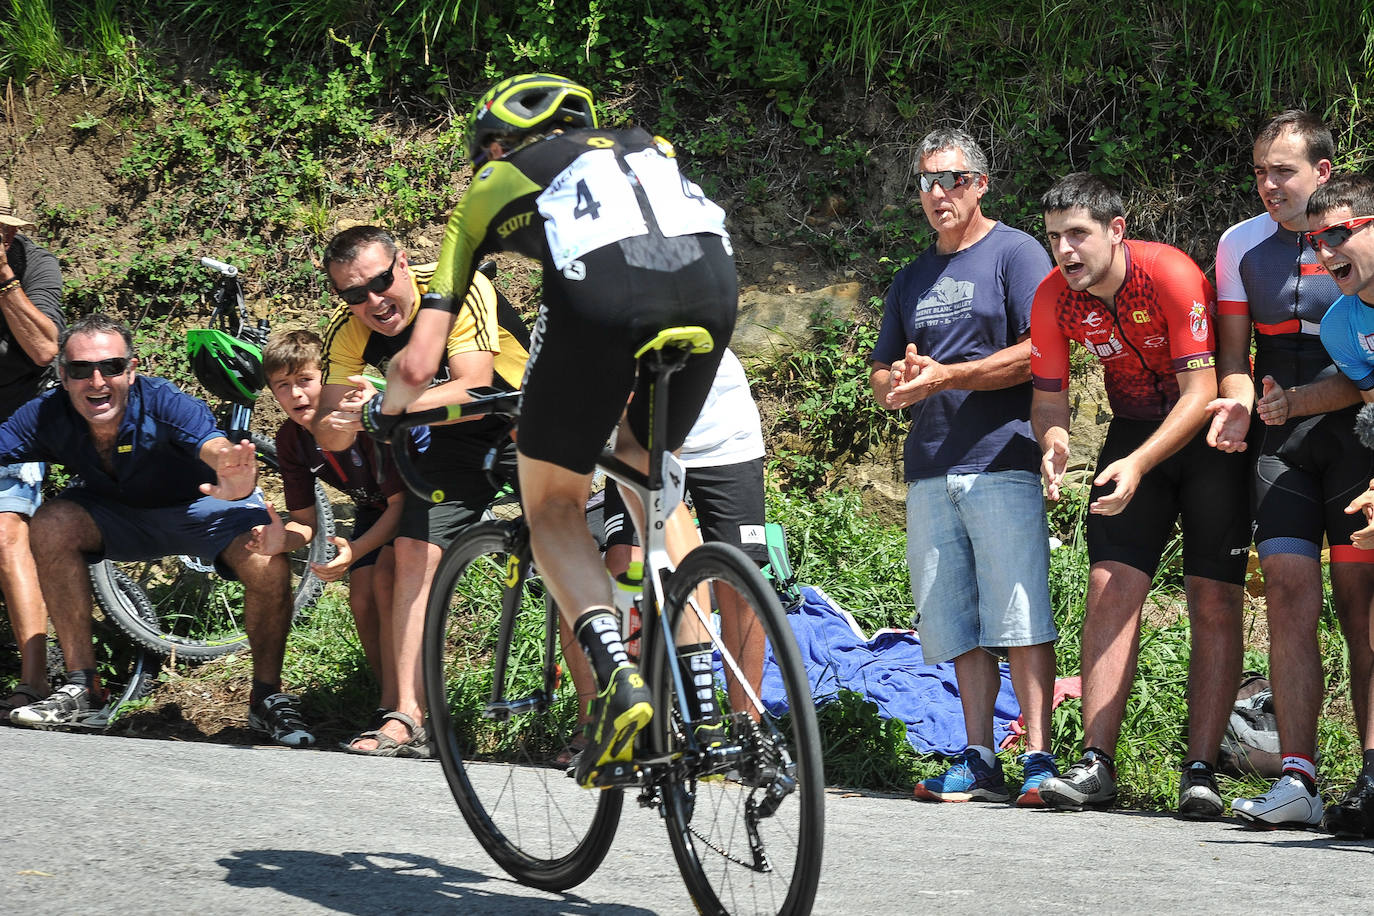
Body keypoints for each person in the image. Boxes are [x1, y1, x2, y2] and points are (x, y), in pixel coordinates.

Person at [365, 73, 736, 788]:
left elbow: (416, 361)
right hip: (714, 291)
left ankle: (619, 680)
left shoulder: (493, 182)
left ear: (497, 144)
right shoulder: (649, 146)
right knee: (652, 475)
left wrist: (389, 410)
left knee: (555, 505)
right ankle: (710, 717)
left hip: (605, 303)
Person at [1029, 172, 1249, 816]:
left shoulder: (1170, 273)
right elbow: (1049, 398)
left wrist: (1138, 464)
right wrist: (1055, 441)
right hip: (1131, 432)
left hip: (1205, 439)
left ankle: (1202, 769)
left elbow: (1202, 392)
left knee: (1213, 596)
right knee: (1109, 585)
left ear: (1115, 230)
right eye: (1054, 239)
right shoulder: (1053, 298)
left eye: (1078, 234)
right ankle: (1097, 762)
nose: (1065, 251)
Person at [2, 315, 313, 745]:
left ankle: (267, 698)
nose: (97, 381)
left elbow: (211, 442)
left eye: (111, 367)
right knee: (52, 522)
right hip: (118, 516)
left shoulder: (164, 401)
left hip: (201, 507)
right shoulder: (46, 414)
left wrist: (231, 469)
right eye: (80, 370)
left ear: (131, 370)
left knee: (266, 554)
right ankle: (83, 689)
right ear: (62, 376)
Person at [867, 128, 1058, 806]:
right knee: (955, 622)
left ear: (980, 183)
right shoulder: (913, 276)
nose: (938, 194)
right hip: (928, 468)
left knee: (1019, 612)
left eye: (951, 179)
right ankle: (979, 758)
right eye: (926, 182)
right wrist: (895, 385)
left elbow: (1041, 348)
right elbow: (883, 371)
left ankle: (1038, 757)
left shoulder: (1016, 252)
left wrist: (951, 376)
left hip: (1000, 457)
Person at [1206, 112, 1374, 828]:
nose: (1269, 184)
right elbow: (1235, 363)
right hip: (1286, 426)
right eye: (1260, 172)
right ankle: (1298, 777)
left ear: (1323, 174)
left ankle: (1370, 773)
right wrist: (1245, 407)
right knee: (1285, 589)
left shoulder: (1352, 246)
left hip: (1355, 433)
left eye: (1283, 170)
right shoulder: (1241, 245)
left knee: (1361, 604)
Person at [313, 225, 529, 757]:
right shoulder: (349, 330)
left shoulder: (459, 286)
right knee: (412, 549)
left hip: (524, 414)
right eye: (353, 294)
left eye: (381, 281)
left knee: (573, 547)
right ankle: (409, 715)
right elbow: (327, 428)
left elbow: (474, 383)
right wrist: (342, 422)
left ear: (404, 263)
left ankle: (596, 719)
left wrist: (380, 404)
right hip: (453, 436)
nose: (372, 301)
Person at [251, 329, 429, 751]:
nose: (295, 394)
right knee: (361, 598)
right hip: (376, 506)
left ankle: (404, 709)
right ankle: (392, 704)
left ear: (328, 379)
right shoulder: (290, 440)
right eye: (282, 385)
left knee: (383, 579)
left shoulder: (359, 420)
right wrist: (281, 540)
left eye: (305, 380)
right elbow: (305, 522)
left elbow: (401, 505)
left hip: (417, 498)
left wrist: (356, 552)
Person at [1303, 172, 1374, 836]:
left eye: (1339, 235)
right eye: (1316, 242)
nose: (1325, 255)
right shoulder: (1342, 324)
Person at [0, 177, 64, 719]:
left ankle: (35, 679)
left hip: (19, 417)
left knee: (6, 532)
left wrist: (3, 280)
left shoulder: (33, 264)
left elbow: (46, 348)